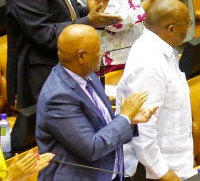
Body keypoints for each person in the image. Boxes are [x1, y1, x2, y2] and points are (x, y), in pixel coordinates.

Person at [36, 24, 157, 181]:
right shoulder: (59, 97)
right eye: (97, 50)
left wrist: (131, 120)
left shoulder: (87, 74)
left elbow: (101, 125)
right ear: (81, 56)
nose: (101, 54)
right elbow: (91, 148)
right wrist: (124, 118)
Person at [116, 0, 194, 180]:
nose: (189, 28)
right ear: (171, 28)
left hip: (177, 164)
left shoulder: (164, 50)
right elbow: (143, 126)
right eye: (187, 23)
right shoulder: (148, 61)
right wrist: (161, 171)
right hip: (155, 172)